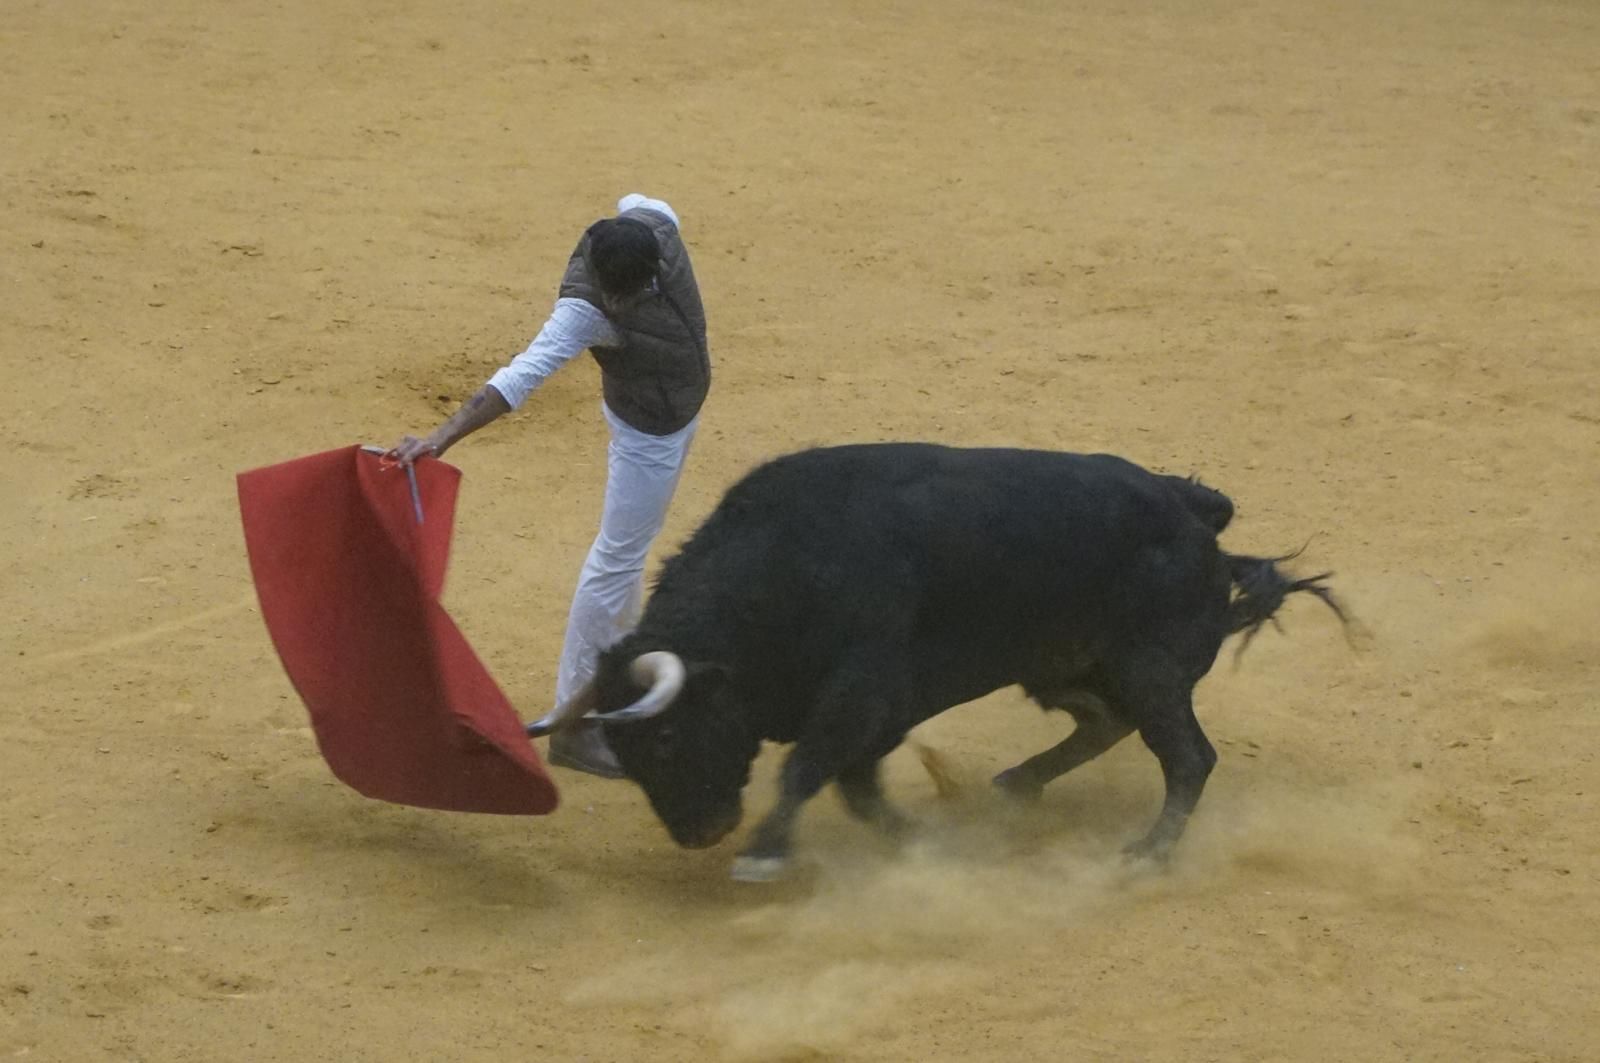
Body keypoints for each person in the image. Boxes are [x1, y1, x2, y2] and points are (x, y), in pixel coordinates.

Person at [389, 194, 710, 779]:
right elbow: (518, 379)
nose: (619, 304)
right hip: (646, 434)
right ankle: (575, 729)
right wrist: (440, 438)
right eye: (613, 294)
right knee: (617, 559)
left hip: (673, 418)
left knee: (630, 554)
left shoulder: (655, 223)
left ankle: (613, 675)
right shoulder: (585, 310)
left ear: (655, 268)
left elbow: (637, 199)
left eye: (630, 294)